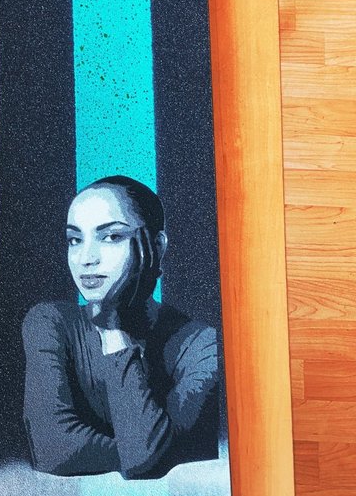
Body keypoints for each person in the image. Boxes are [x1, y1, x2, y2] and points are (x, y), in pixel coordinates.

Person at [21, 175, 220, 479]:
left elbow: (145, 463)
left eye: (111, 236)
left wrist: (114, 329)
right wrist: (146, 449)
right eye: (75, 240)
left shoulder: (201, 343)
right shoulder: (50, 323)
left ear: (156, 247)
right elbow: (51, 448)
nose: (86, 259)